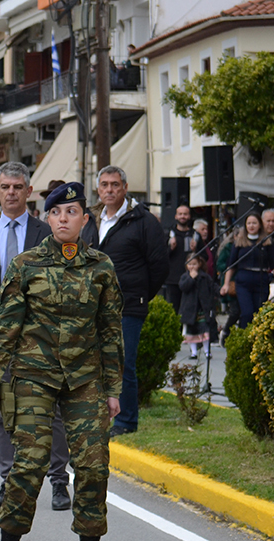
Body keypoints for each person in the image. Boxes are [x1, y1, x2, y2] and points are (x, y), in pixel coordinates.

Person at [0, 182, 124, 541]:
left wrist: (113, 389)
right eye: (57, 213)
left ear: (84, 219)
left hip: (85, 379)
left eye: (72, 212)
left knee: (94, 466)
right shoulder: (26, 265)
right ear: (47, 219)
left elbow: (110, 331)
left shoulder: (101, 267)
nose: (64, 219)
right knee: (30, 464)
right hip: (34, 376)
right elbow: (5, 325)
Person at [0, 164, 71, 512]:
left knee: (52, 412)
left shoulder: (47, 233)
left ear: (29, 191)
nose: (11, 192)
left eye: (18, 187)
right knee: (2, 411)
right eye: (6, 186)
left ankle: (58, 481)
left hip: (43, 339)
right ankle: (9, 482)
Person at [79, 165, 167, 438]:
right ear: (98, 189)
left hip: (128, 305)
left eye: (115, 185)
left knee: (122, 364)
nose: (109, 190)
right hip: (93, 305)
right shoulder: (90, 220)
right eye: (104, 185)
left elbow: (159, 266)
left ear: (125, 188)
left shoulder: (143, 221)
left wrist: (139, 294)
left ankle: (126, 420)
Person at [220, 212, 274, 328]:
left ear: (259, 225)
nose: (251, 226)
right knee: (247, 313)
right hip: (243, 281)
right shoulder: (239, 243)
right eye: (249, 223)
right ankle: (243, 335)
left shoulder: (267, 242)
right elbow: (231, 265)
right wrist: (226, 284)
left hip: (261, 281)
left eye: (254, 223)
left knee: (258, 313)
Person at [163, 205, 200, 314]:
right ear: (176, 216)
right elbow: (161, 256)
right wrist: (170, 248)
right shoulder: (168, 234)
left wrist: (195, 250)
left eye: (185, 214)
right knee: (174, 309)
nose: (182, 216)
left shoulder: (195, 235)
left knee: (190, 309)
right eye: (180, 214)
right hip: (173, 279)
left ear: (189, 216)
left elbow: (204, 257)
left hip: (191, 278)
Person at [179, 253, 216, 358]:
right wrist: (191, 278)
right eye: (189, 264)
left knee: (204, 330)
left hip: (202, 308)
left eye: (194, 264)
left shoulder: (204, 277)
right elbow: (183, 287)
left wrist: (219, 291)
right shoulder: (185, 276)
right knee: (191, 332)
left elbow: (212, 286)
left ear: (199, 264)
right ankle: (194, 352)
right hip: (189, 309)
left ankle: (207, 351)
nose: (192, 266)